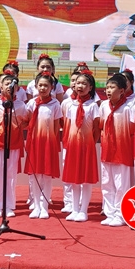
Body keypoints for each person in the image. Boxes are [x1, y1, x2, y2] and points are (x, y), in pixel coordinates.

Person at [0, 71, 29, 218]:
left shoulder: (21, 105)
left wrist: (17, 128)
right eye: (6, 84)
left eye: (13, 85)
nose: (10, 87)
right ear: (1, 86)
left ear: (17, 88)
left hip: (14, 143)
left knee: (10, 175)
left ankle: (9, 206)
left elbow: (26, 121)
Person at [62, 72, 100, 222]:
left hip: (87, 147)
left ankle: (84, 210)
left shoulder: (93, 106)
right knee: (74, 179)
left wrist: (89, 143)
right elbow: (68, 125)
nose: (80, 86)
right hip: (73, 146)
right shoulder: (71, 105)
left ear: (90, 87)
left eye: (84, 83)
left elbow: (96, 129)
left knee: (86, 180)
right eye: (78, 83)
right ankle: (74, 209)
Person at [24, 72, 63, 219]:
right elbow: (27, 122)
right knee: (35, 175)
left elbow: (56, 127)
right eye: (40, 85)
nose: (43, 88)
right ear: (35, 86)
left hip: (48, 143)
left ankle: (44, 206)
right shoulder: (31, 104)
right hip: (34, 143)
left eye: (46, 85)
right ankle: (36, 206)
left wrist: (51, 144)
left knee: (46, 176)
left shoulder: (55, 104)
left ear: (51, 87)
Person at [99, 73, 135, 227]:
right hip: (107, 149)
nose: (108, 90)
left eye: (112, 87)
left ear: (121, 90)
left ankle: (121, 214)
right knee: (107, 182)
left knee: (121, 184)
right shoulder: (103, 105)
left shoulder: (129, 107)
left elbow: (132, 129)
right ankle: (110, 213)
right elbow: (101, 126)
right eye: (107, 87)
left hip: (122, 150)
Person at [59, 70, 80, 213]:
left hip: (82, 144)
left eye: (79, 82)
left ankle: (79, 201)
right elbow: (61, 122)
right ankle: (68, 201)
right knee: (67, 172)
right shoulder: (66, 103)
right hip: (68, 142)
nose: (75, 84)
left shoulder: (90, 104)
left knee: (80, 173)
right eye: (73, 81)